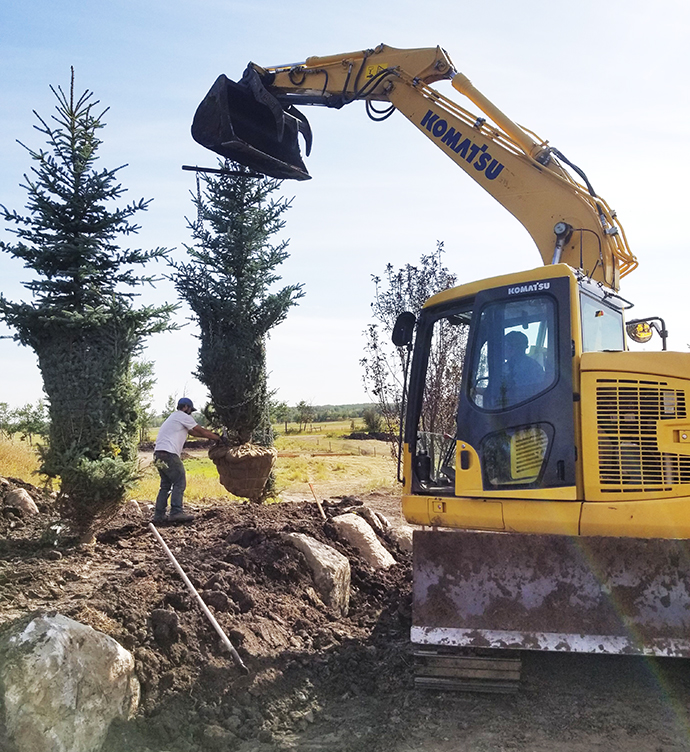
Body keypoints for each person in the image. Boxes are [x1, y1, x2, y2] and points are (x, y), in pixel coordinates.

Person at [152, 397, 221, 524]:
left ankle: (159, 515)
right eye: (190, 409)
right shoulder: (182, 416)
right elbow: (200, 430)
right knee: (179, 481)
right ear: (185, 407)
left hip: (158, 454)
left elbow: (194, 433)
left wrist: (211, 436)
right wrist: (218, 438)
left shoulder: (173, 417)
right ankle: (176, 512)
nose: (190, 412)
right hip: (169, 454)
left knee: (165, 485)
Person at [501, 330, 545, 405]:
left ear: (513, 348)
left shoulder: (529, 367)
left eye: (505, 346)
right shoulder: (508, 365)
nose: (503, 350)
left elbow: (515, 392)